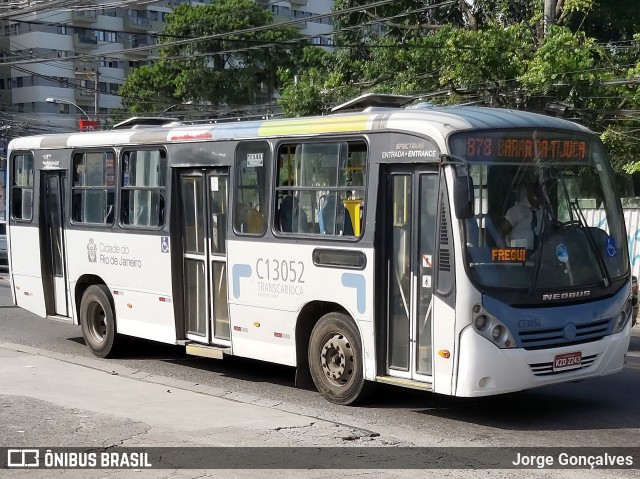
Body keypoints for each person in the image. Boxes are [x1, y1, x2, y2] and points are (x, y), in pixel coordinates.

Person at [501, 181, 543, 249]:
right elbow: (501, 234)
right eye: (536, 194)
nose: (538, 196)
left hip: (539, 256)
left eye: (540, 194)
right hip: (518, 255)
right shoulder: (516, 210)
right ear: (529, 191)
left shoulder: (544, 212)